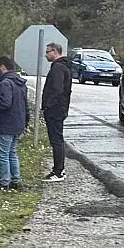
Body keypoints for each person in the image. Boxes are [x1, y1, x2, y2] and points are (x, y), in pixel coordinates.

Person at [0, 55, 28, 191]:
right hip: (18, 123)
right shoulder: (21, 83)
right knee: (12, 153)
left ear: (2, 67)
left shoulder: (5, 83)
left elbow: (5, 104)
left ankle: (4, 182)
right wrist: (26, 122)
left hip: (6, 124)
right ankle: (16, 179)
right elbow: (25, 105)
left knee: (2, 154)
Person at [41, 41, 73, 182]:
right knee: (57, 139)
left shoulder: (58, 68)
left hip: (56, 110)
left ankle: (58, 170)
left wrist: (48, 105)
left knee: (56, 140)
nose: (46, 54)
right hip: (59, 108)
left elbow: (57, 89)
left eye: (48, 52)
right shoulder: (62, 67)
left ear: (55, 52)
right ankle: (59, 169)